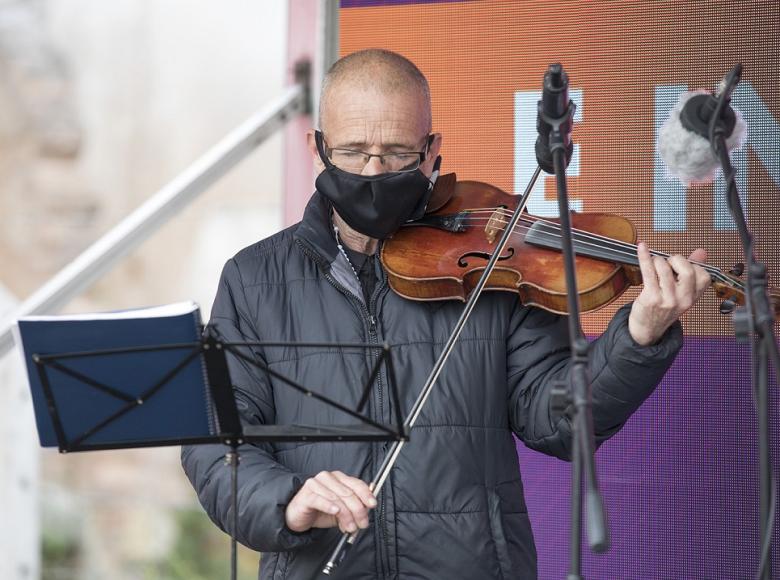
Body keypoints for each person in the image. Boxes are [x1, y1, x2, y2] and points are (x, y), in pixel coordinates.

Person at [182, 49, 711, 580]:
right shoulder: (253, 280)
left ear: (431, 152)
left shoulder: (496, 263)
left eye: (396, 154)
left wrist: (639, 337)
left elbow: (559, 420)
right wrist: (288, 499)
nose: (373, 171)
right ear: (316, 150)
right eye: (352, 151)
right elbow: (215, 444)